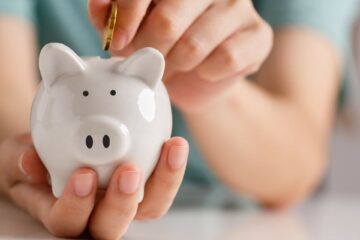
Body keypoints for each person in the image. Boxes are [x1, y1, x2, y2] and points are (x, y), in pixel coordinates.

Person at [0, 0, 358, 239]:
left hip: (241, 225)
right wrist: (28, 162)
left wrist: (212, 83)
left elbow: (299, 156)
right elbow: (9, 101)